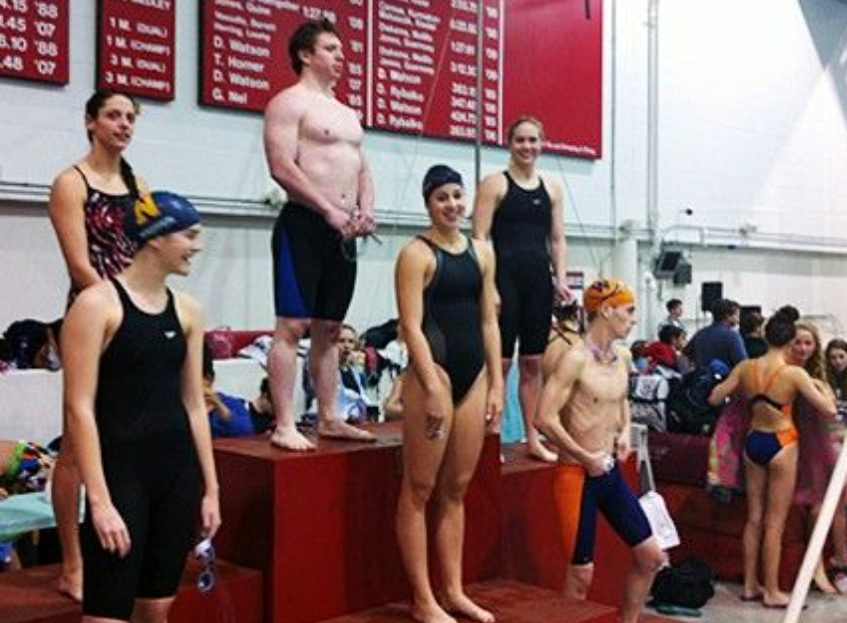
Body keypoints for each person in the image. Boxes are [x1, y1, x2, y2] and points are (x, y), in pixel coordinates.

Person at [62, 191, 221, 622]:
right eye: (189, 235)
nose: (197, 246)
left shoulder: (189, 311)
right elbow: (79, 410)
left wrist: (211, 489)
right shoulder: (96, 306)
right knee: (107, 613)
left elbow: (194, 404)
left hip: (176, 477)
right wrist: (99, 501)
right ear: (156, 237)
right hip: (121, 477)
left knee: (156, 609)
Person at [47, 89, 147, 601]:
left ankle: (125, 543)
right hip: (92, 316)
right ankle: (72, 563)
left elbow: (150, 252)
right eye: (113, 115)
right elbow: (80, 265)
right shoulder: (71, 183)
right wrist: (120, 311)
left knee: (125, 435)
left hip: (134, 316)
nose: (123, 124)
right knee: (75, 444)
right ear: (91, 122)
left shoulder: (137, 184)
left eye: (130, 117)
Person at [395, 165, 503, 623]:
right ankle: (423, 600)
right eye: (442, 197)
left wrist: (497, 383)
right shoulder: (415, 254)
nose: (452, 205)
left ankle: (453, 591)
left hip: (473, 376)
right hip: (433, 373)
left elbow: (489, 321)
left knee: (456, 489)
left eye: (457, 195)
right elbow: (410, 327)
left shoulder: (482, 252)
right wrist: (431, 385)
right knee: (419, 488)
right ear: (428, 203)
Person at [263, 18, 376, 451]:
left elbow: (362, 168)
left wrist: (366, 210)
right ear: (305, 55)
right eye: (331, 49)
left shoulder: (347, 114)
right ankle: (284, 423)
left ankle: (330, 416)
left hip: (343, 232)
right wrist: (326, 208)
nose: (341, 57)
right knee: (293, 326)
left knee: (330, 328)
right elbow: (281, 166)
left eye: (341, 50)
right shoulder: (288, 103)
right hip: (305, 225)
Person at [535, 279, 664, 623]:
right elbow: (543, 418)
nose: (634, 319)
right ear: (606, 310)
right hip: (577, 475)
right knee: (580, 575)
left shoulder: (622, 357)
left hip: (608, 471)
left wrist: (623, 431)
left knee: (651, 557)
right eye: (629, 310)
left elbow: (620, 399)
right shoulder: (575, 359)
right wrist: (584, 456)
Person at [708, 306, 836, 608]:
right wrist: (821, 388)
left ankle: (750, 585)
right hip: (782, 443)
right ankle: (772, 590)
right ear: (790, 341)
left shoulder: (746, 367)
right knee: (775, 523)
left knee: (754, 518)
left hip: (754, 442)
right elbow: (829, 410)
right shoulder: (794, 374)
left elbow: (714, 397)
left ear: (765, 337)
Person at [472, 116, 571, 463]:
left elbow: (557, 239)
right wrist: (488, 285)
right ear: (509, 143)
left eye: (533, 140)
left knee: (532, 363)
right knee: (499, 363)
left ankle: (532, 437)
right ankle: (491, 437)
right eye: (520, 140)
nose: (527, 147)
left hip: (538, 282)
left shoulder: (552, 189)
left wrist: (560, 279)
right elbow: (480, 237)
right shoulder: (495, 184)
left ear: (542, 143)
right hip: (504, 280)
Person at [788, 322, 840, 593]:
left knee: (828, 504)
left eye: (808, 343)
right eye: (798, 342)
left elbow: (831, 412)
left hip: (820, 445)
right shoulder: (787, 372)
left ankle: (831, 562)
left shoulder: (819, 376)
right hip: (796, 446)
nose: (803, 348)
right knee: (815, 507)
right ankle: (816, 565)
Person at [825, 338, 847, 575]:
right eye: (833, 357)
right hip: (832, 446)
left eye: (841, 357)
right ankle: (841, 555)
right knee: (838, 502)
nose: (837, 361)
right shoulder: (826, 382)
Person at [684, 298, 747, 370]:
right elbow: (743, 364)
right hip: (726, 376)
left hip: (701, 376)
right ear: (727, 316)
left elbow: (683, 357)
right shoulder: (732, 336)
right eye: (737, 315)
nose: (738, 319)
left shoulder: (699, 334)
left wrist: (687, 373)